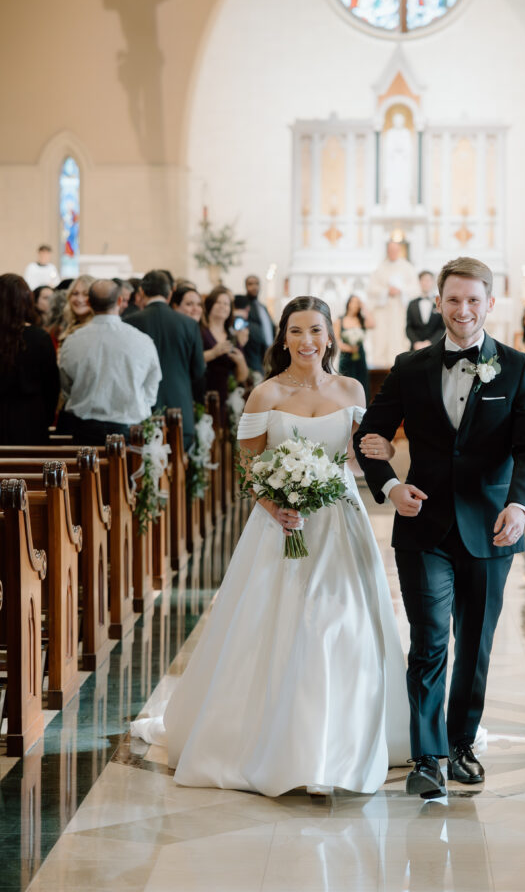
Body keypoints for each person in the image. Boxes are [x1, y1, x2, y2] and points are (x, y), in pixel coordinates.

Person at [131, 295, 410, 795]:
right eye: (296, 331)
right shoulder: (266, 394)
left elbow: (359, 456)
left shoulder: (351, 388)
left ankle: (338, 745)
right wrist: (274, 505)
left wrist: (384, 450)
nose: (307, 341)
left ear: (330, 336)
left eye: (316, 330)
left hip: (340, 521)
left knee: (339, 624)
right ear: (283, 337)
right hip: (281, 523)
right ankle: (278, 745)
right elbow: (248, 466)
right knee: (281, 625)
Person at [355, 256, 525, 797]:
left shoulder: (517, 367)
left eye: (473, 300)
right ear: (438, 302)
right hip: (424, 526)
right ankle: (427, 757)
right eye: (454, 300)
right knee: (430, 641)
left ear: (490, 304)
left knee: (476, 644)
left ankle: (461, 744)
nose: (463, 310)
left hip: (492, 527)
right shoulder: (409, 367)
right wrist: (390, 487)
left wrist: (520, 506)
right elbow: (368, 437)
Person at [59, 279, 162, 445]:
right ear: (120, 301)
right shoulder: (142, 340)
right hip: (128, 427)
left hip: (85, 428)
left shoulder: (73, 341)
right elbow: (152, 385)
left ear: (89, 302)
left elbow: (66, 385)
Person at [125, 270, 206, 449]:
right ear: (170, 294)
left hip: (142, 409)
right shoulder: (189, 324)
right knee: (179, 461)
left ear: (141, 292)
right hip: (179, 407)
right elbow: (198, 370)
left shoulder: (129, 322)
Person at [0, 274, 60, 445]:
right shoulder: (39, 337)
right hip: (31, 419)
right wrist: (46, 418)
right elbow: (52, 386)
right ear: (26, 301)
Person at [201, 285, 249, 424]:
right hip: (202, 393)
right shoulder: (201, 331)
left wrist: (240, 361)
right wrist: (213, 353)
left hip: (224, 396)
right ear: (210, 305)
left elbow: (241, 377)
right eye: (218, 302)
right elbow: (191, 361)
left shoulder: (232, 336)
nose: (222, 306)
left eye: (226, 304)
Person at [368, 240, 420, 367]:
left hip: (401, 311)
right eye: (390, 250)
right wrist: (386, 291)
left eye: (395, 250)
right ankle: (380, 368)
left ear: (399, 250)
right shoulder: (380, 268)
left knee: (399, 337)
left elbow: (415, 289)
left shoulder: (407, 267)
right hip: (383, 312)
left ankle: (399, 365)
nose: (392, 252)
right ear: (387, 251)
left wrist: (401, 290)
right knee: (381, 338)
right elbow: (371, 289)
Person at [335, 294, 374, 401]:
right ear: (348, 303)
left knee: (362, 383)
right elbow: (337, 341)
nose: (355, 305)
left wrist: (364, 307)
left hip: (360, 356)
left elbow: (372, 324)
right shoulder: (340, 320)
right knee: (346, 385)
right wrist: (348, 348)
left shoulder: (361, 320)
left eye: (358, 303)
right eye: (353, 302)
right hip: (346, 357)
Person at [406, 271, 446, 350]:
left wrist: (430, 342)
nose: (426, 283)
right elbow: (409, 327)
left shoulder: (439, 303)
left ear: (433, 282)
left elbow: (442, 327)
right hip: (415, 348)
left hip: (434, 347)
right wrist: (416, 342)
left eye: (428, 280)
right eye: (423, 280)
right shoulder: (412, 304)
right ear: (419, 282)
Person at [58, 274, 95, 344]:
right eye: (75, 293)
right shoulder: (69, 324)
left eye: (86, 294)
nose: (79, 299)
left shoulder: (96, 329)